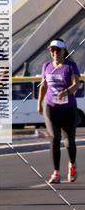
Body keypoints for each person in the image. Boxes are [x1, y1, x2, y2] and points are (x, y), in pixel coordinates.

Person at [37, 39, 79, 184]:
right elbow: (43, 86)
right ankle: (56, 173)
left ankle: (72, 165)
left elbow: (76, 85)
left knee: (69, 142)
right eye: (52, 50)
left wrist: (66, 92)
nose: (54, 52)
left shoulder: (70, 66)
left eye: (57, 50)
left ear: (63, 51)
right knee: (55, 139)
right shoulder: (46, 66)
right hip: (51, 108)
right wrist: (39, 104)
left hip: (68, 109)